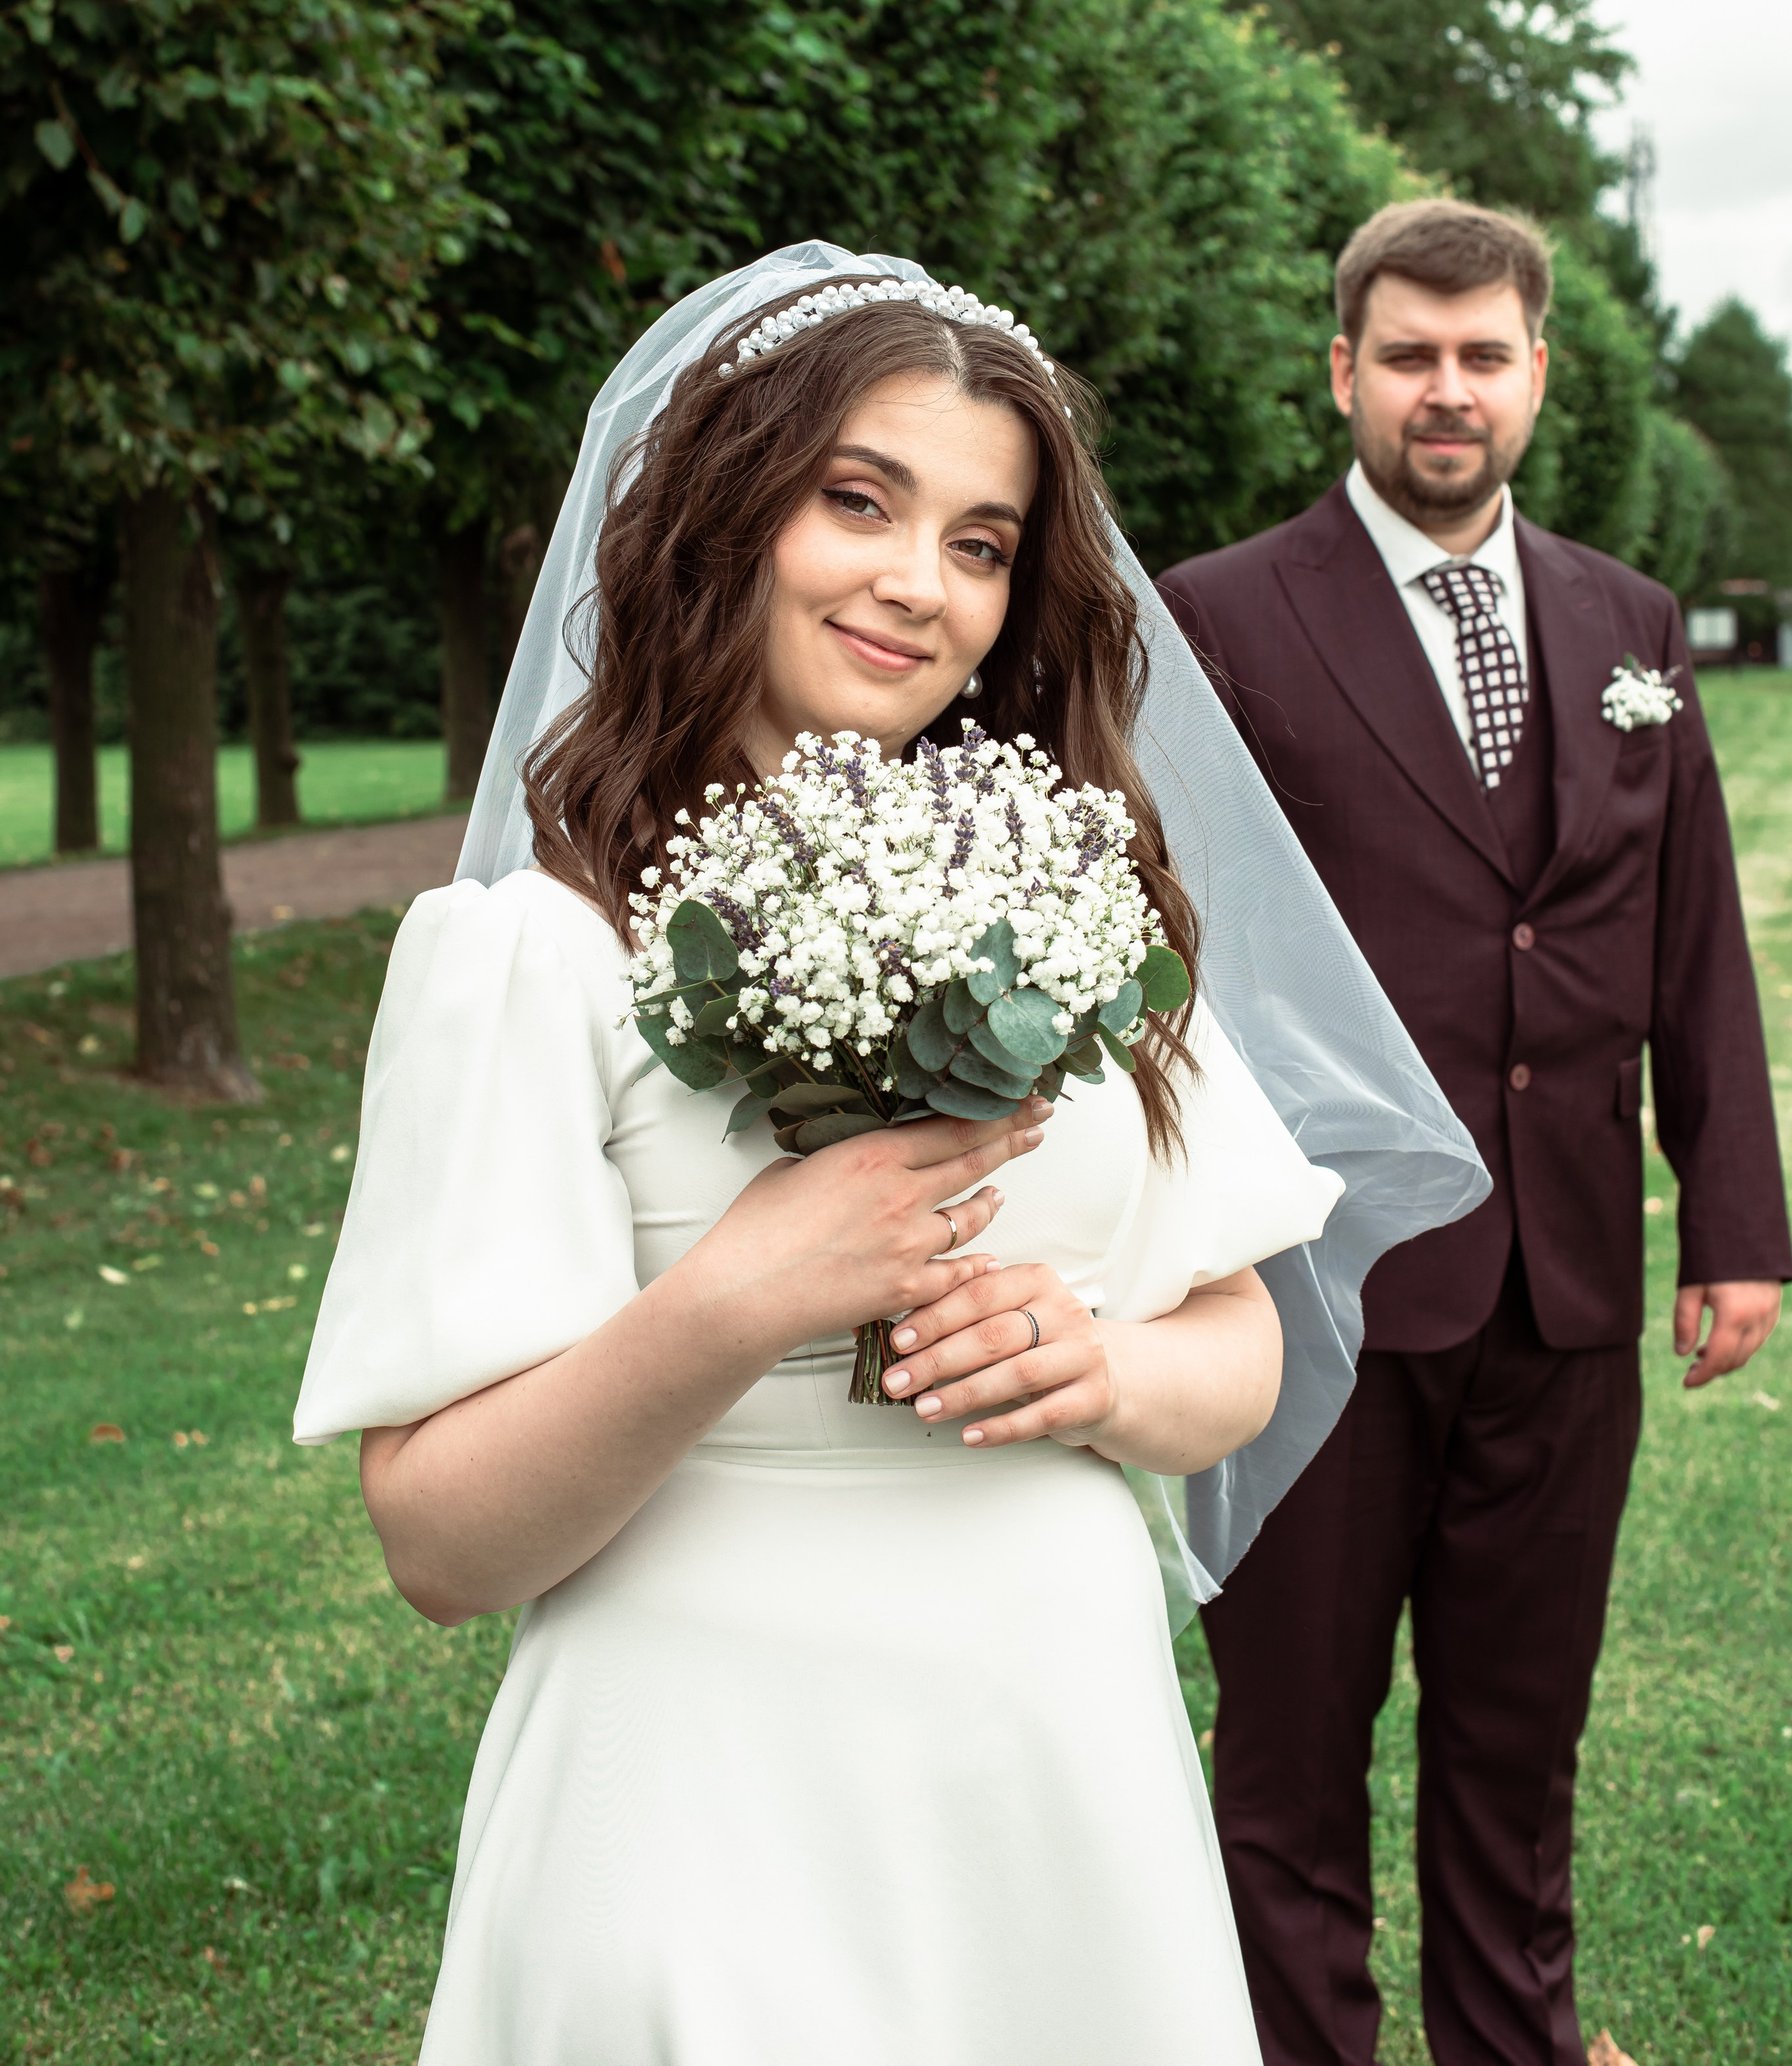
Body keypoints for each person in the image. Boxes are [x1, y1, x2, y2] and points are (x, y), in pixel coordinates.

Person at [293, 244, 1485, 2065]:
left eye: (984, 540)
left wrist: (1106, 1364)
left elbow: (1238, 1338)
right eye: (861, 499)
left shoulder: (1080, 913)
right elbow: (440, 1540)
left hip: (1055, 1765)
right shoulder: (532, 950)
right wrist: (736, 1299)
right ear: (725, 505)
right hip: (700, 1789)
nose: (919, 584)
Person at [1158, 197, 1790, 2066]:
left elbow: (1689, 932)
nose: (1450, 390)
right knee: (1292, 1753)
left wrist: (1737, 1219)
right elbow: (1169, 950)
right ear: (1346, 369)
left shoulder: (1629, 624)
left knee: (1517, 1750)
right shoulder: (1219, 618)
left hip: (1568, 1281)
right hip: (1311, 1293)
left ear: (1535, 379)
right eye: (1412, 354)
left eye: (1483, 355)